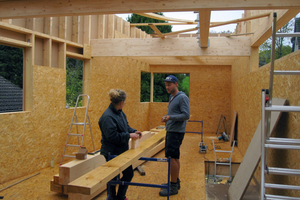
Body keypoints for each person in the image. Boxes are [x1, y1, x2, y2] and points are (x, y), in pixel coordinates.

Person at [98, 89, 142, 200]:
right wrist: (128, 135)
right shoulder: (108, 117)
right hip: (111, 151)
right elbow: (112, 137)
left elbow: (125, 127)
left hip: (121, 150)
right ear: (121, 102)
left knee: (128, 174)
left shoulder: (120, 112)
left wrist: (134, 131)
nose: (125, 103)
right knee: (113, 178)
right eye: (125, 101)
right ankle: (112, 197)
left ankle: (120, 196)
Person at [159, 75, 190, 196]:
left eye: (170, 84)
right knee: (175, 158)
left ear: (176, 84)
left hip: (176, 132)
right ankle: (175, 182)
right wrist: (168, 117)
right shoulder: (172, 97)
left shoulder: (182, 97)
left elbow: (186, 115)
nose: (167, 86)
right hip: (172, 130)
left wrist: (170, 117)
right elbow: (176, 113)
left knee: (171, 158)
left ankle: (173, 187)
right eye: (166, 84)